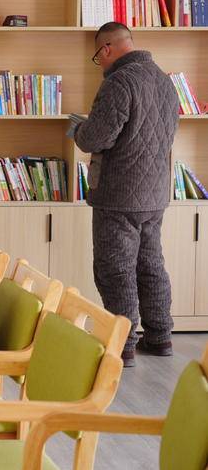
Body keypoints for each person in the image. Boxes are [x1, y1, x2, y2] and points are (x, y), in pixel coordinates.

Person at [68, 22, 179, 367]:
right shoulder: (165, 81)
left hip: (118, 194)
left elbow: (96, 138)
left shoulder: (119, 82)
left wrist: (79, 129)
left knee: (115, 269)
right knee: (151, 265)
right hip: (155, 192)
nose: (99, 64)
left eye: (97, 57)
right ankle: (159, 337)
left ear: (107, 49)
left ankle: (123, 344)